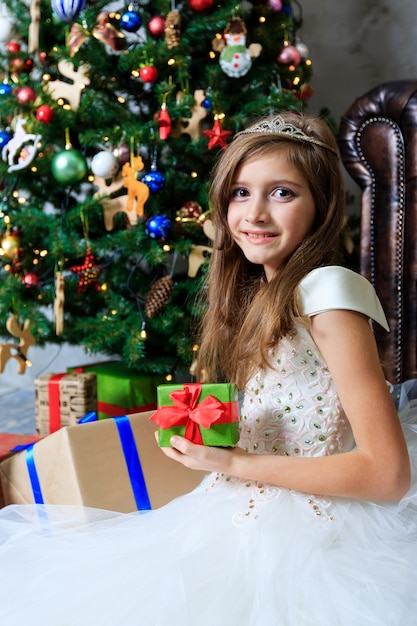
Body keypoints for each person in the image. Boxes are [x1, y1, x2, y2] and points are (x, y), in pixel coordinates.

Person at [0, 111, 417, 625]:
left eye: (282, 193)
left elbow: (387, 474)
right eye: (241, 192)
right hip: (239, 503)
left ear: (321, 205)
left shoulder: (328, 293)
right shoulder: (265, 290)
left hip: (309, 529)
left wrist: (236, 464)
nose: (255, 214)